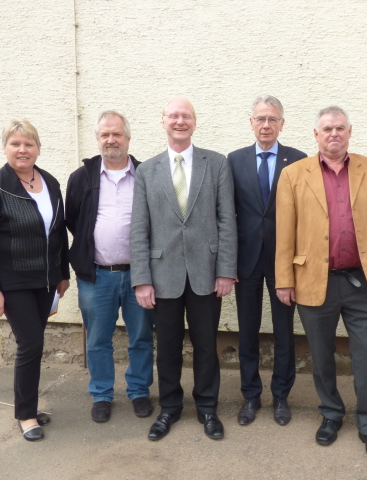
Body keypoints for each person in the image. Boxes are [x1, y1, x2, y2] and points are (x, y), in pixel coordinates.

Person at [275, 106, 367, 462]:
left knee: (366, 356)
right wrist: (284, 280)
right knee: (322, 356)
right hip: (314, 281)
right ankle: (330, 413)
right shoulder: (293, 175)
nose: (333, 134)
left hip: (360, 283)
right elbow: (285, 234)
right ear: (315, 134)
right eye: (326, 128)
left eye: (340, 128)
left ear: (350, 131)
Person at [131, 97, 237, 441]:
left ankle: (207, 408)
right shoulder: (146, 171)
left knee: (207, 345)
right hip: (163, 275)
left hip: (207, 272)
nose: (180, 121)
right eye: (173, 116)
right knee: (169, 346)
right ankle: (170, 408)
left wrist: (226, 270)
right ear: (163, 121)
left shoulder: (217, 164)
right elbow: (139, 228)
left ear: (194, 122)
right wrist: (142, 279)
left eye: (186, 116)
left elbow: (226, 220)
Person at [0, 119, 70, 441]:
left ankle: (28, 405)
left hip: (45, 282)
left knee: (34, 343)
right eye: (15, 144)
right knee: (31, 344)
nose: (22, 150)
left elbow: (57, 233)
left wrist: (62, 274)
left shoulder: (51, 183)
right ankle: (26, 414)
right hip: (13, 282)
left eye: (28, 144)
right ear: (5, 148)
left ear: (38, 148)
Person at [65, 111, 154, 423]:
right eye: (104, 135)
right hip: (96, 274)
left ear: (128, 138)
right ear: (98, 139)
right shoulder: (81, 178)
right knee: (98, 339)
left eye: (116, 134)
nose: (110, 140)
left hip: (139, 275)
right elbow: (75, 220)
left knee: (141, 336)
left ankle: (139, 390)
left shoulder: (146, 174)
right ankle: (102, 394)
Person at [227, 95, 306, 426]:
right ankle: (250, 395)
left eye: (272, 119)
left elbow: (304, 214)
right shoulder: (234, 160)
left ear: (282, 124)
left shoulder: (299, 160)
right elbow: (227, 213)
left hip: (282, 260)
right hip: (246, 260)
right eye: (260, 119)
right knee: (247, 330)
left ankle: (281, 396)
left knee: (284, 330)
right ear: (251, 123)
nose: (266, 125)